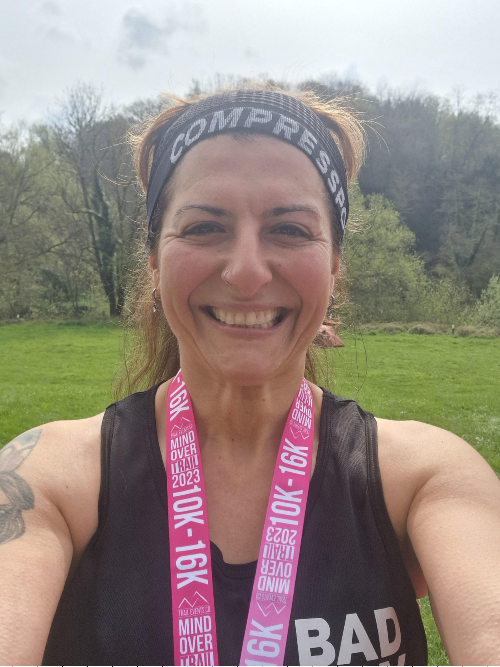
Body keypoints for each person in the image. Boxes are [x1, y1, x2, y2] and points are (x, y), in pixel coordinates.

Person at [0, 88, 499, 667]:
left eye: (289, 229)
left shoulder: (422, 478)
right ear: (155, 261)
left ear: (335, 262)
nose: (245, 272)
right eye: (204, 228)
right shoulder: (53, 480)